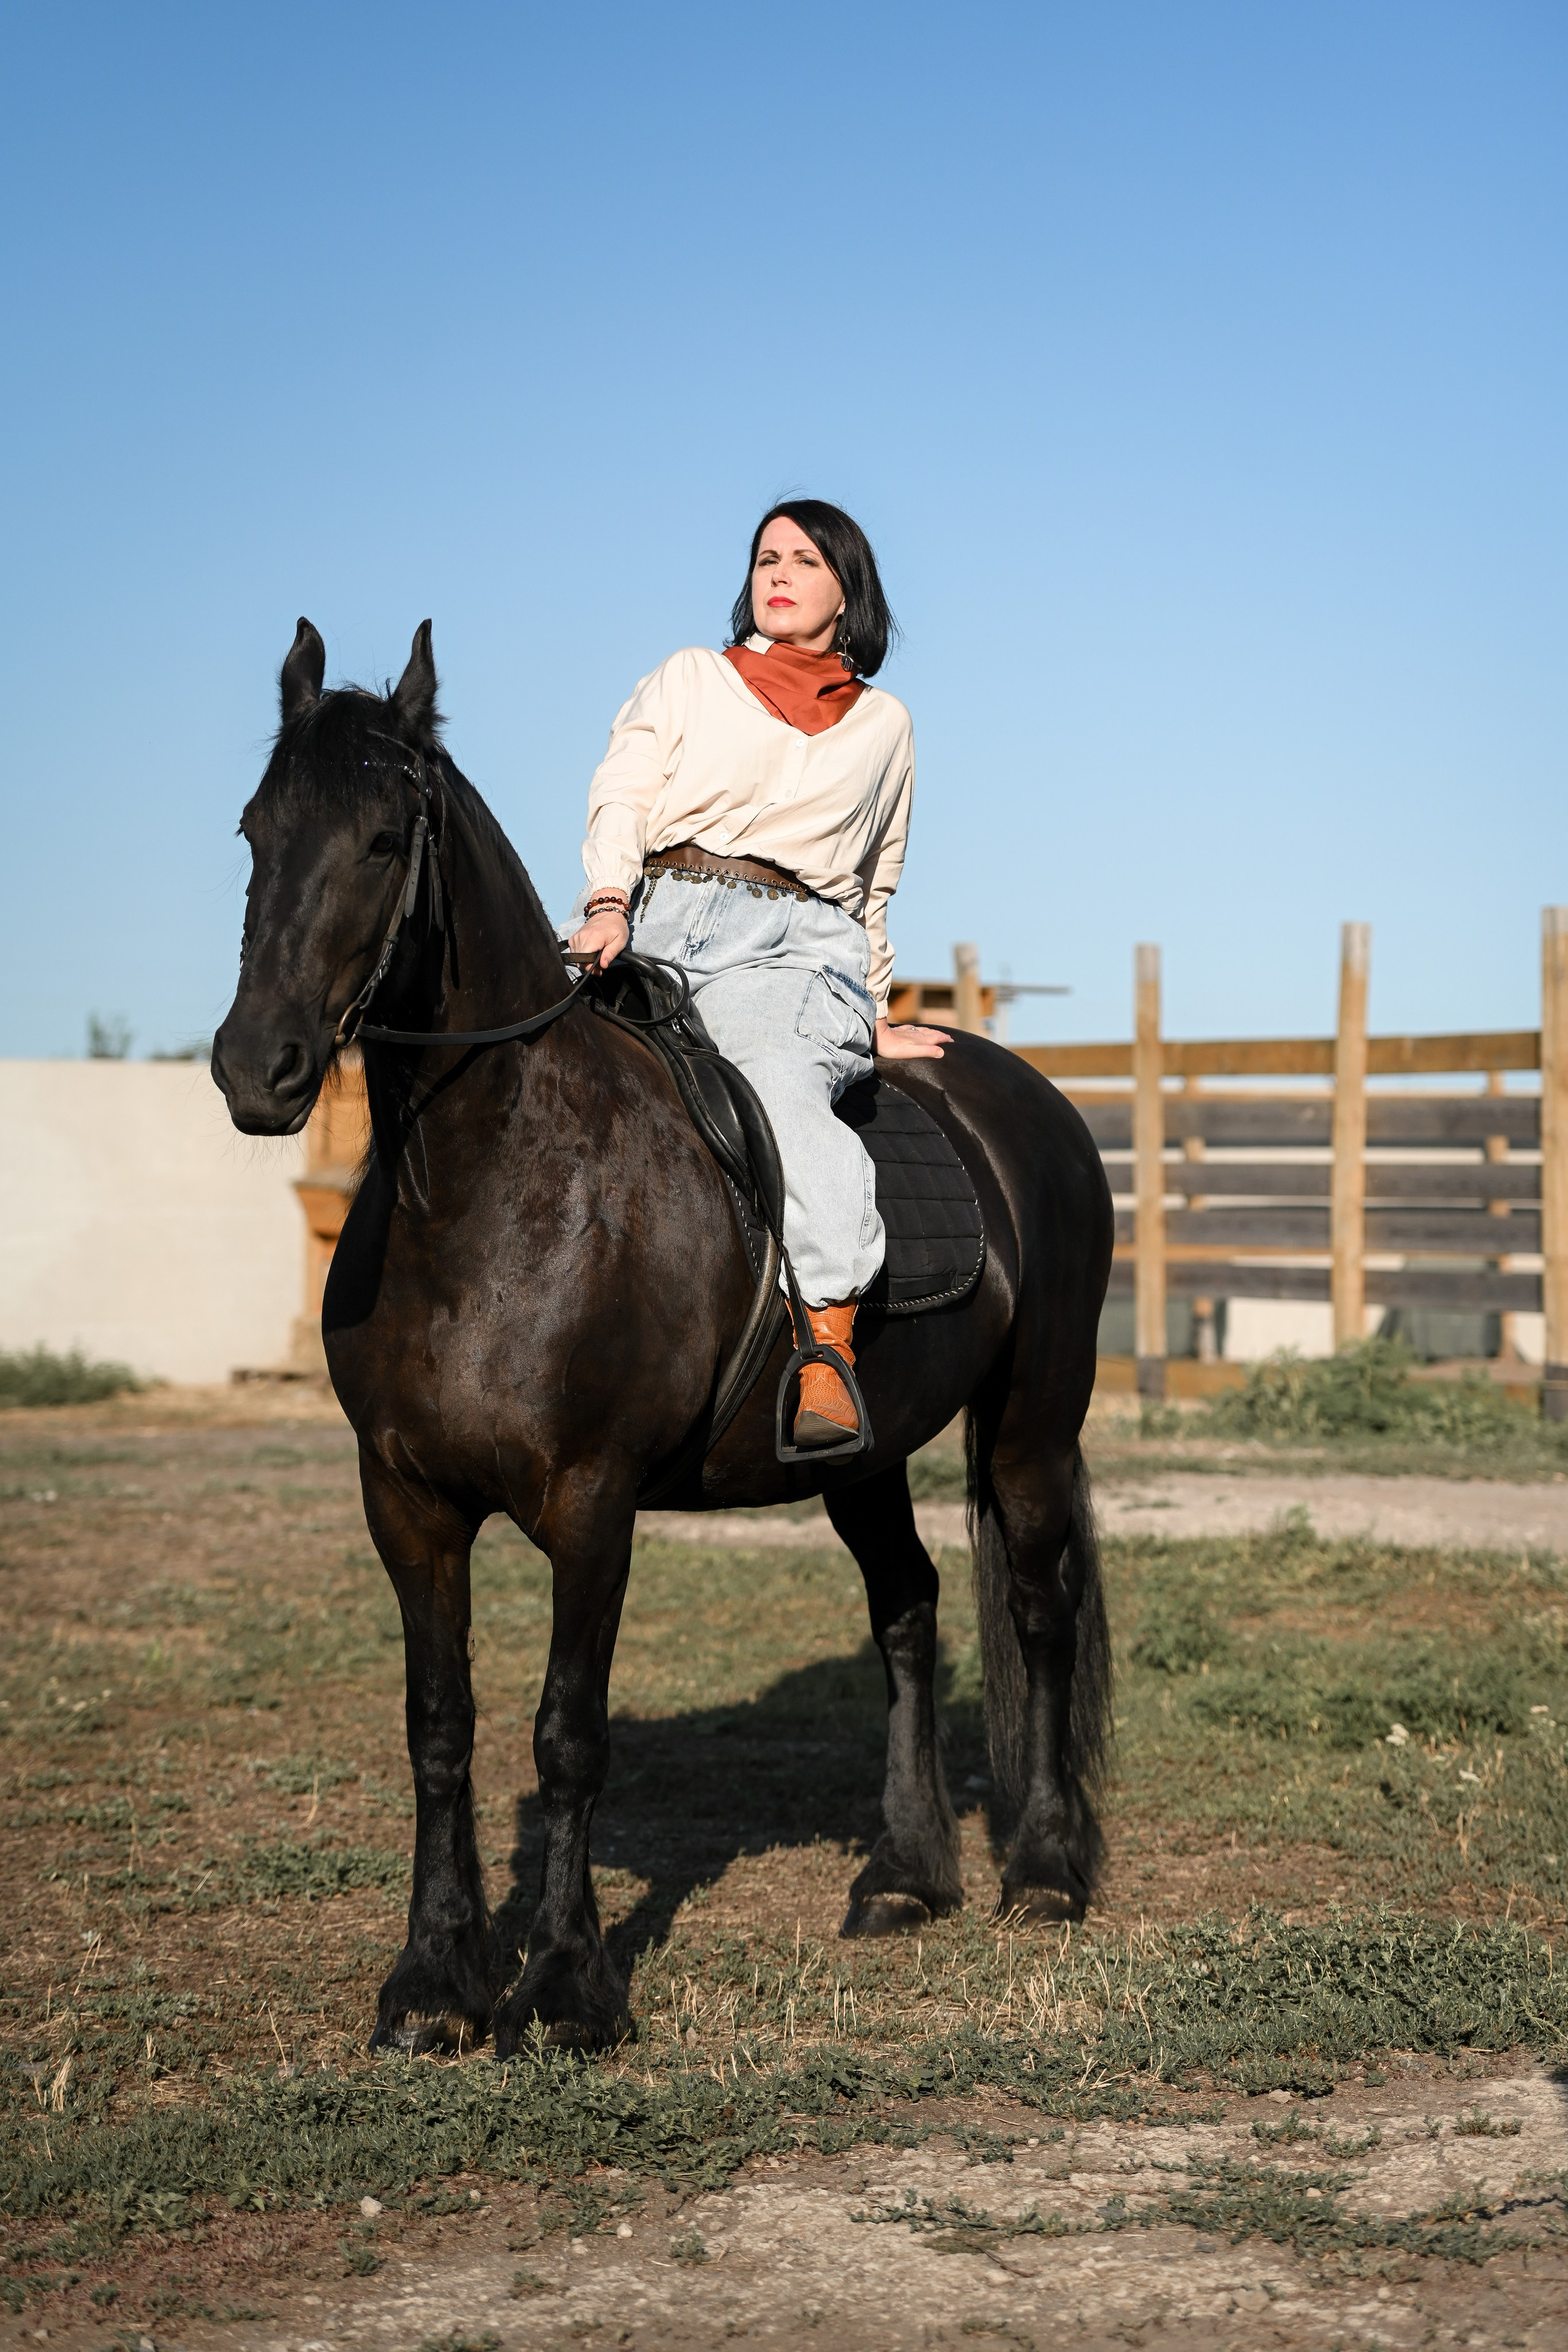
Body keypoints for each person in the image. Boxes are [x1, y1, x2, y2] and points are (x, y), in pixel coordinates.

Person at [567, 500, 949, 1449]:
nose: (777, 574)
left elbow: (875, 880)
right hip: (651, 916)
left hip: (794, 946)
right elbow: (625, 790)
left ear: (846, 590)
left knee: (779, 1084)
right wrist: (609, 898)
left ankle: (826, 1347)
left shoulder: (886, 725)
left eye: (804, 561)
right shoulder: (689, 678)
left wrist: (872, 1012)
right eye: (765, 558)